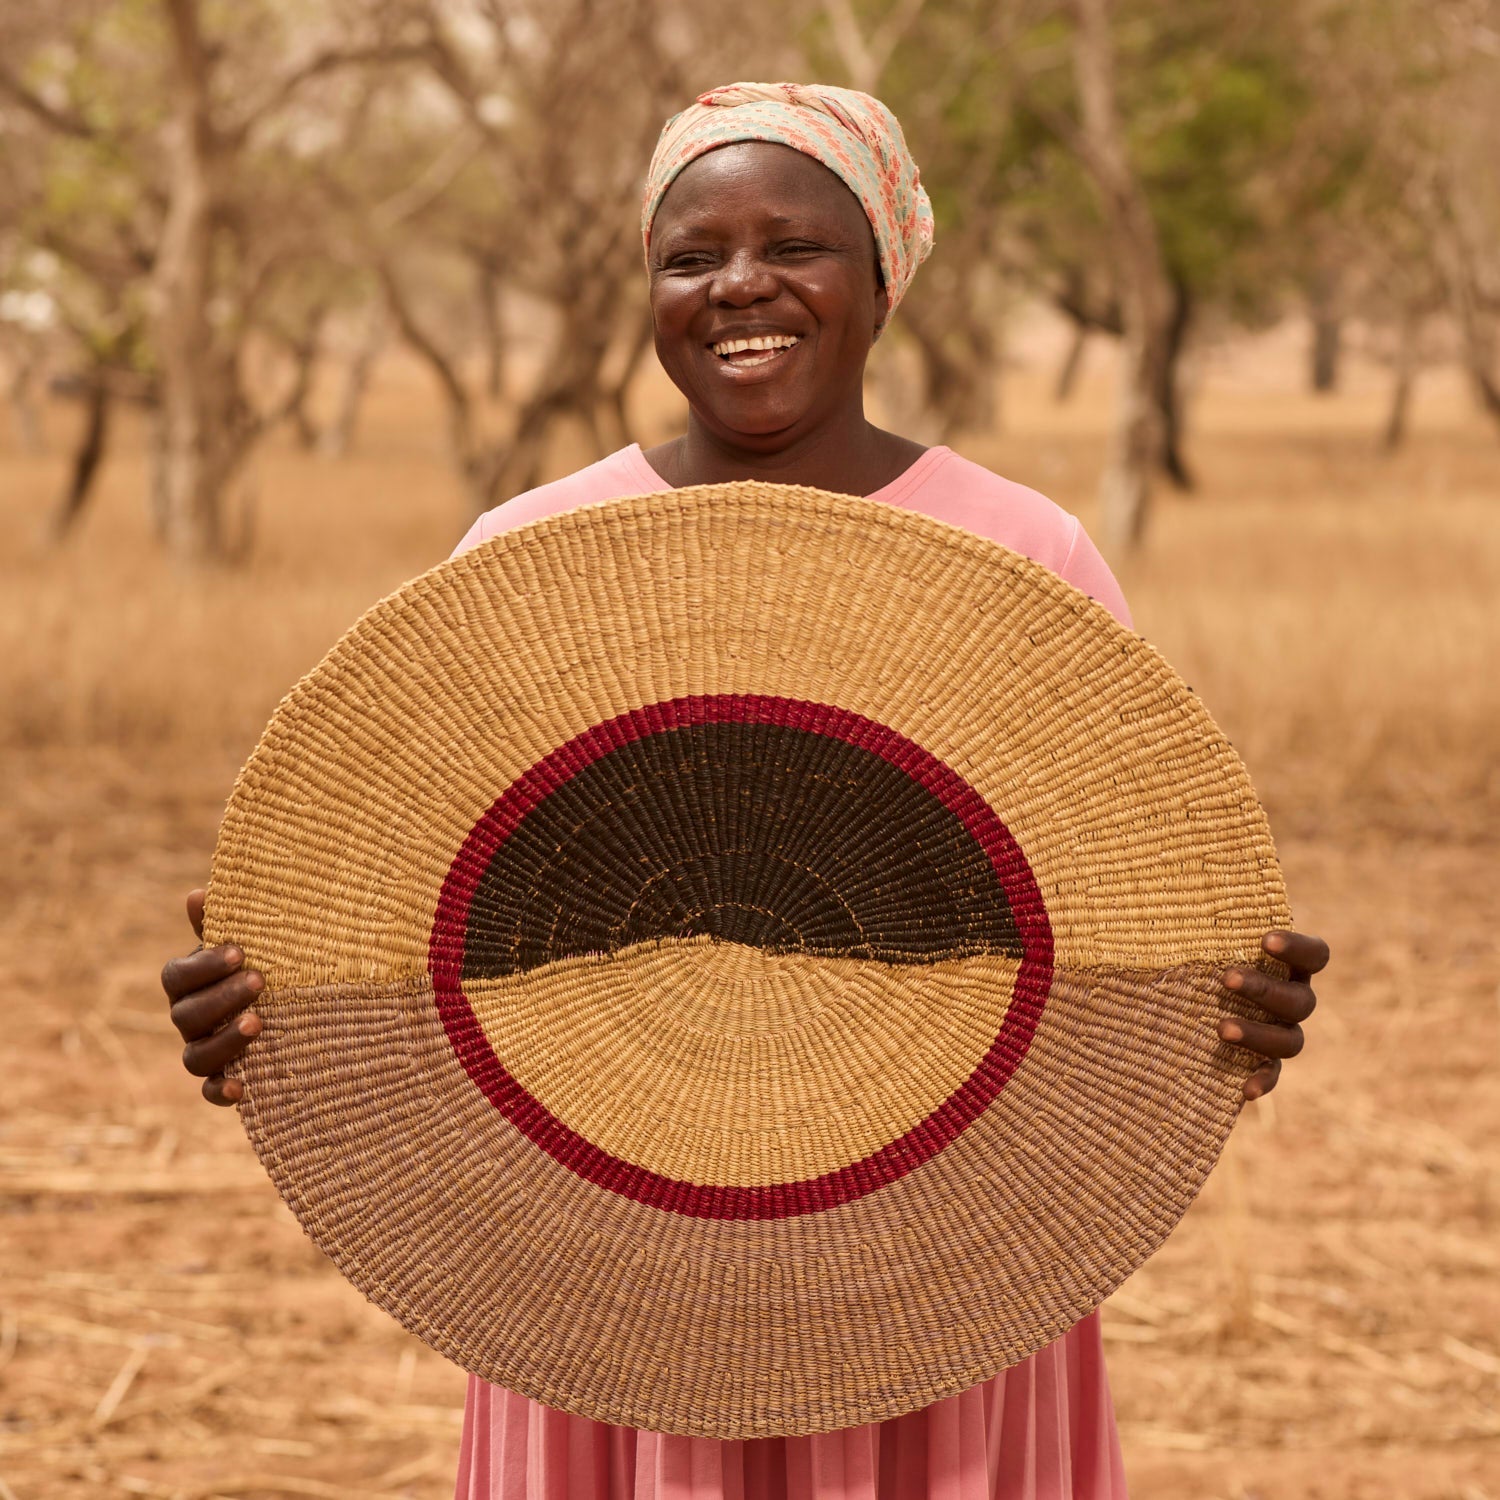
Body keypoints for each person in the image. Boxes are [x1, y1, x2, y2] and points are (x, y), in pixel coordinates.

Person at [161, 82, 1328, 1500]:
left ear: (886, 271)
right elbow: (412, 907)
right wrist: (275, 1017)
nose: (741, 286)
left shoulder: (1029, 557)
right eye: (691, 255)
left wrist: (1225, 1012)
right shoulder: (533, 554)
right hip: (608, 1258)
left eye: (797, 244)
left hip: (941, 1251)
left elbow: (1119, 916)